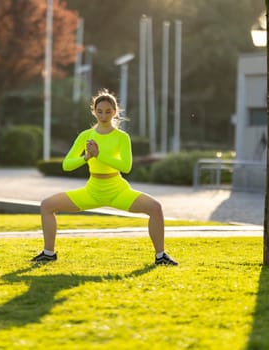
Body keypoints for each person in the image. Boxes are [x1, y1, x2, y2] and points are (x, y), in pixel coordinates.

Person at [31, 89, 178, 266]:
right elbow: (66, 165)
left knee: (155, 208)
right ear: (94, 111)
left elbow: (126, 166)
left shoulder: (122, 137)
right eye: (99, 111)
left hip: (117, 190)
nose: (103, 115)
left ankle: (160, 256)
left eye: (108, 111)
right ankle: (48, 253)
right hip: (92, 190)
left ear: (115, 112)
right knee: (47, 205)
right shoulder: (86, 136)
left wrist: (99, 154)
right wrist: (87, 157)